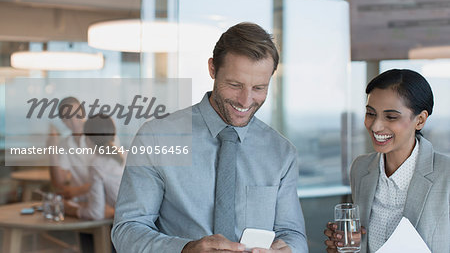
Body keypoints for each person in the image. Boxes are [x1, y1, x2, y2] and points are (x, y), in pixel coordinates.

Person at [112, 22, 308, 253]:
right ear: (212, 69)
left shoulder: (281, 152)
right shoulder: (156, 138)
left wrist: (289, 251)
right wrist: (184, 249)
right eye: (235, 85)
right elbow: (127, 230)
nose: (245, 101)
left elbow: (293, 234)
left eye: (258, 88)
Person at [324, 69, 450, 253]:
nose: (376, 126)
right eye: (371, 113)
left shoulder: (446, 175)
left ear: (420, 120)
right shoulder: (361, 169)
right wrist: (347, 246)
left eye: (391, 117)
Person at [64, 114, 125, 220]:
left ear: (88, 139)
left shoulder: (97, 166)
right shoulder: (127, 156)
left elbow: (96, 214)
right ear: (114, 135)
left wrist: (70, 210)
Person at [48, 97, 92, 200]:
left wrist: (77, 191)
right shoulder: (65, 143)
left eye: (77, 115)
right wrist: (52, 149)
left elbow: (108, 176)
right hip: (82, 202)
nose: (74, 122)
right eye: (68, 118)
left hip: (107, 202)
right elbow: (60, 182)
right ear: (62, 121)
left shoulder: (101, 132)